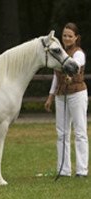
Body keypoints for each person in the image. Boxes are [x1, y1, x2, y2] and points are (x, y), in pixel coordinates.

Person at [44, 22, 89, 177]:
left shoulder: (79, 53)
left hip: (77, 94)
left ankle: (82, 170)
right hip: (61, 95)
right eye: (64, 35)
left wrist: (70, 74)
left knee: (80, 132)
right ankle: (64, 170)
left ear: (76, 37)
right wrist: (50, 96)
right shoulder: (59, 52)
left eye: (70, 36)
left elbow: (76, 65)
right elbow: (55, 78)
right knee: (62, 133)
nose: (67, 38)